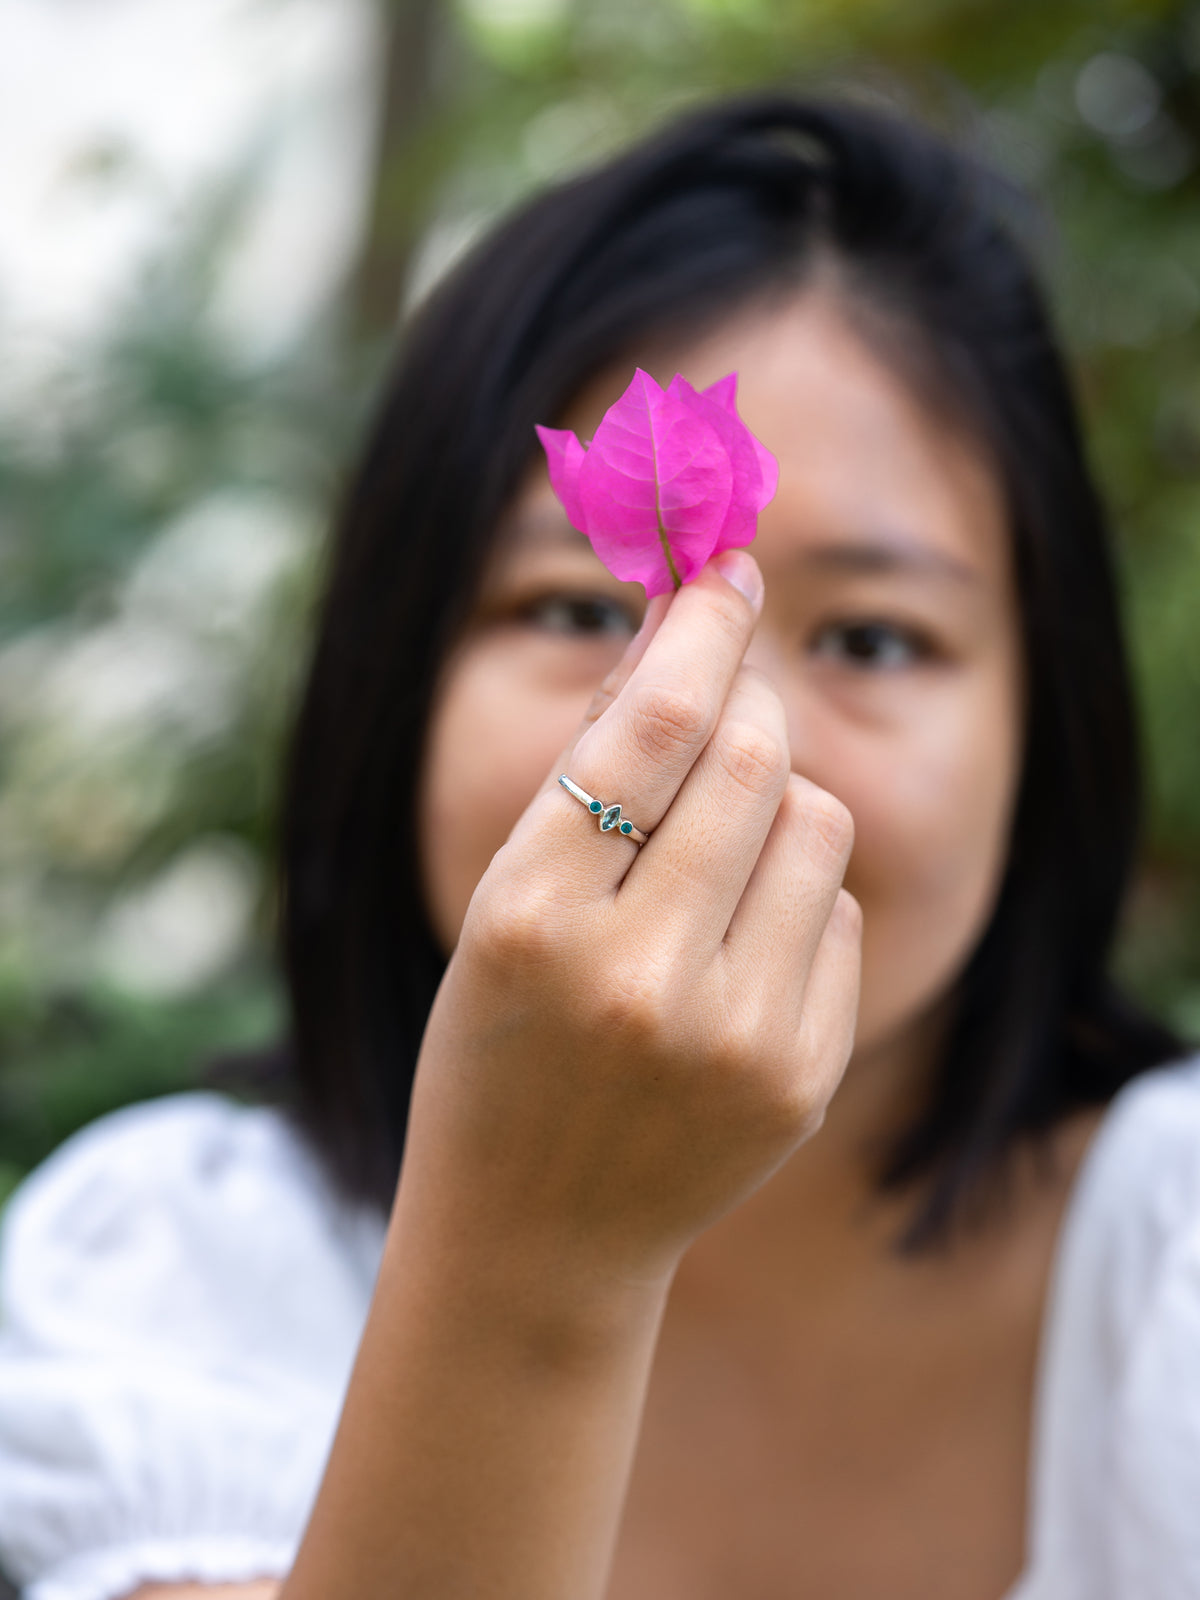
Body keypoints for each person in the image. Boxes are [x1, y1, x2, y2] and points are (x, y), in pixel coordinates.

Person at [0, 88, 1196, 1600]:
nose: (728, 728)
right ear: (396, 682)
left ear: (1050, 724)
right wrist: (539, 1259)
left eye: (881, 641)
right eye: (575, 611)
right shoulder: (180, 1275)